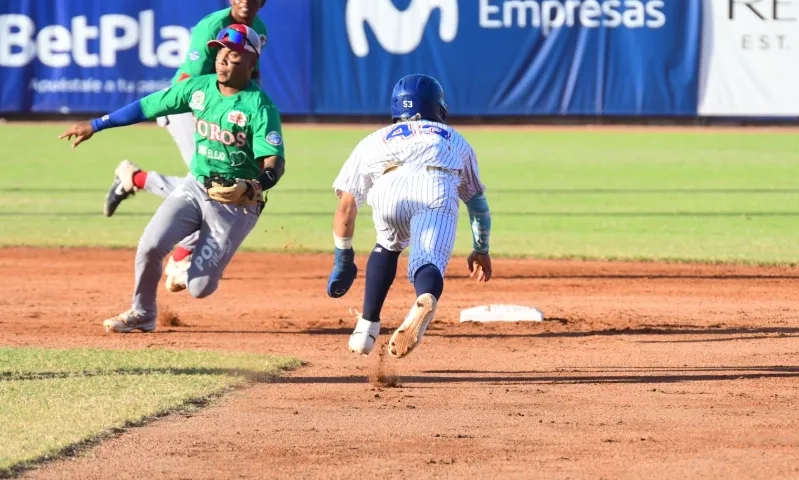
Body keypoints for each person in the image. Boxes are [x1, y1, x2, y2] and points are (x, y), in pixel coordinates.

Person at [59, 24, 285, 333]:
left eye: (232, 55)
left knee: (199, 288)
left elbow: (274, 162)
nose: (222, 60)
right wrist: (96, 124)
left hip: (236, 204)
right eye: (219, 52)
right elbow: (147, 106)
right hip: (195, 186)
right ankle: (143, 312)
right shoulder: (198, 88)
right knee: (150, 245)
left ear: (251, 62)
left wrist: (255, 186)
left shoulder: (260, 107)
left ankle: (193, 253)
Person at [103, 0, 269, 289]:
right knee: (208, 183)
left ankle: (135, 179)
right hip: (188, 106)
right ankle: (181, 256)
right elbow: (189, 82)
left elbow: (251, 75)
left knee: (216, 182)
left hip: (223, 107)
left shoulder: (259, 29)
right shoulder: (212, 26)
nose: (245, 1)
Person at [326, 74, 493, 358]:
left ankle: (366, 329)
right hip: (434, 187)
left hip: (388, 189)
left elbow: (346, 207)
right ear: (438, 107)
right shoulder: (454, 138)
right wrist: (481, 249)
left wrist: (343, 261)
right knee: (426, 261)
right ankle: (424, 298)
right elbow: (477, 204)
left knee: (387, 245)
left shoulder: (373, 140)